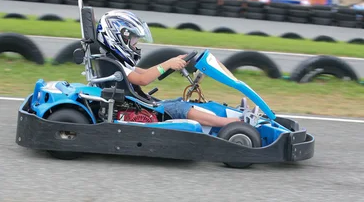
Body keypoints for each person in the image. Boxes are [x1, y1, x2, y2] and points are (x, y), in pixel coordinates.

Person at [95, 10, 261, 127]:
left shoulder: (117, 62)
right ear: (117, 38)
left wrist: (170, 61)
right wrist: (167, 64)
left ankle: (234, 113)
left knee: (182, 102)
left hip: (143, 103)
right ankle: (232, 124)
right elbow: (142, 80)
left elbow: (144, 72)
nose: (135, 44)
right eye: (132, 40)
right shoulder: (114, 64)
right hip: (141, 109)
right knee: (180, 108)